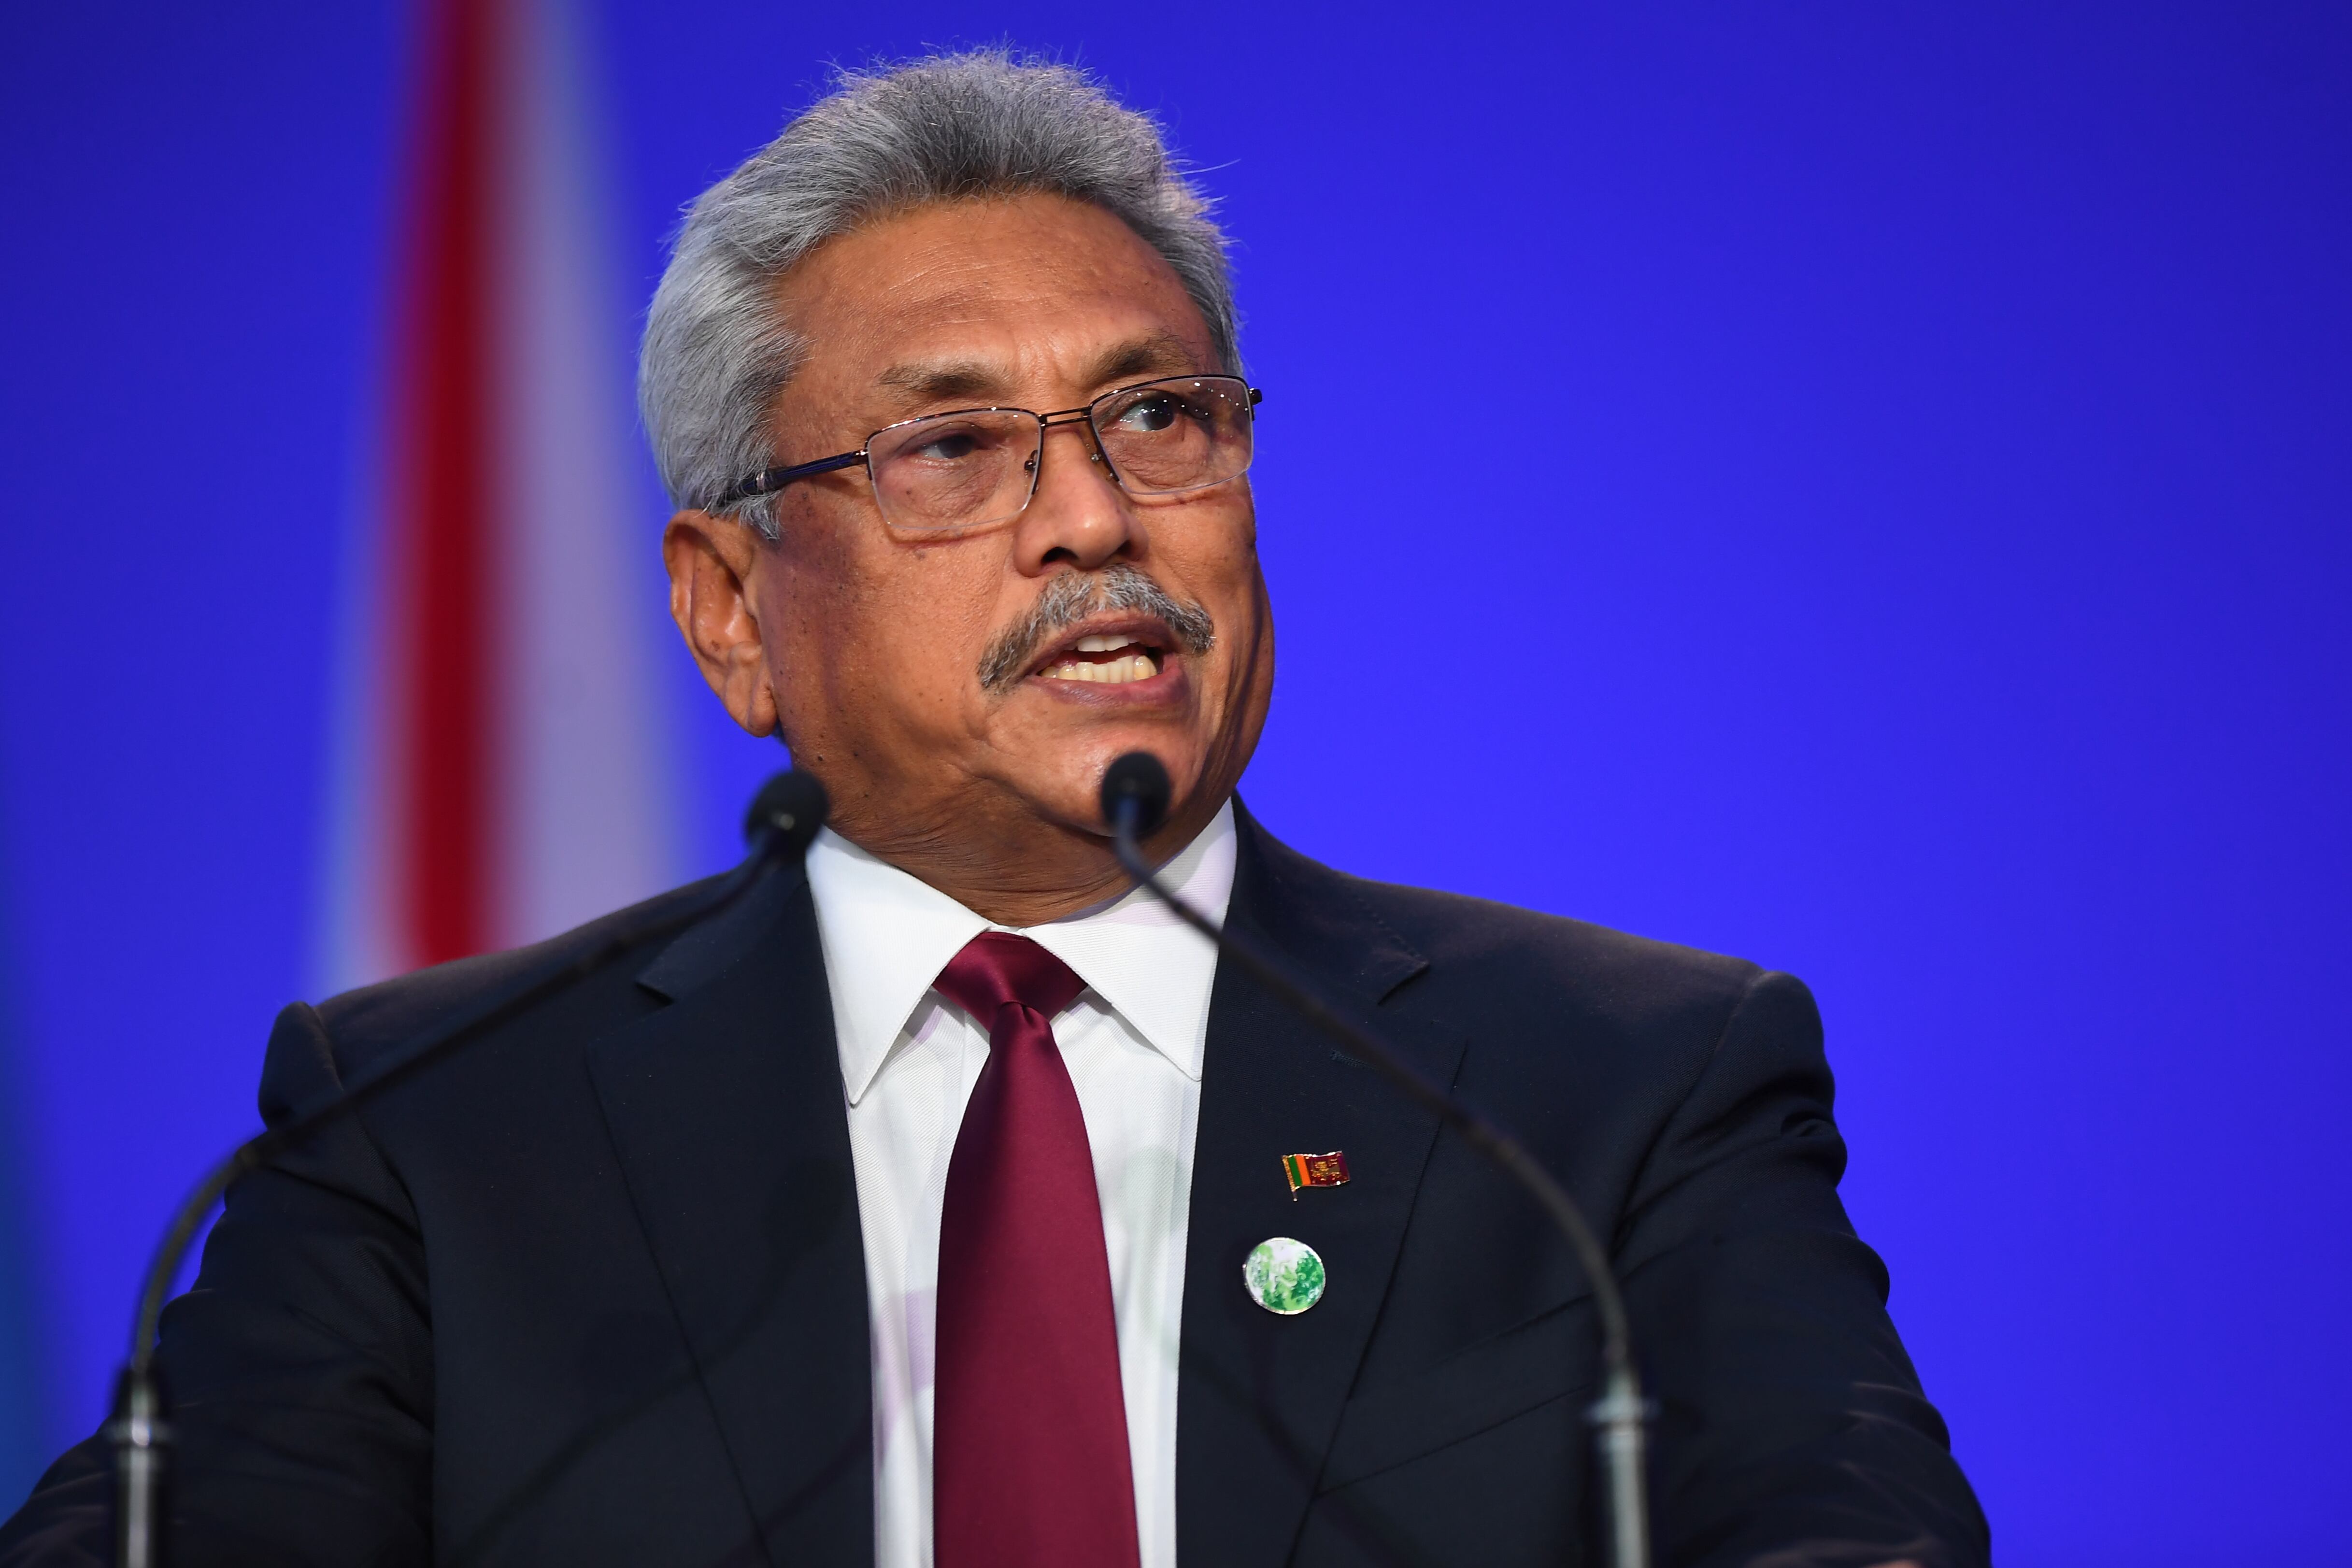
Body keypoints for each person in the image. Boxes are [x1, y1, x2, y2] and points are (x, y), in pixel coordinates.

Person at [0, 51, 1988, 1568]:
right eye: (953, 445)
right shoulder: (431, 1129)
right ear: (732, 610)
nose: (1096, 517)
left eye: (1159, 415)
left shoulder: (1616, 1094)